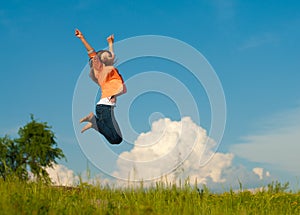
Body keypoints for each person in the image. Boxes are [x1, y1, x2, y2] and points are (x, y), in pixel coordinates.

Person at [75, 29, 126, 144]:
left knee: (116, 139)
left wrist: (110, 43)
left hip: (106, 108)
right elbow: (91, 52)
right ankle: (94, 121)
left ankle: (95, 124)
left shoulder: (110, 70)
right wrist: (82, 38)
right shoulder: (101, 70)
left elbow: (111, 56)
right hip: (104, 107)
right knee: (116, 139)